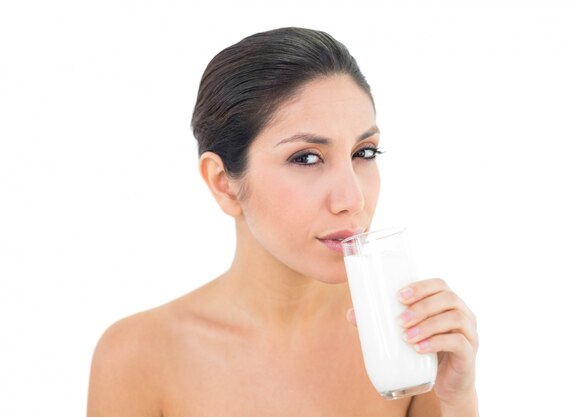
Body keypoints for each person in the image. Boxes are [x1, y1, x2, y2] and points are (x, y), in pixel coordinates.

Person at [87, 27, 479, 417]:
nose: (352, 199)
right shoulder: (137, 357)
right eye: (306, 158)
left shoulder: (406, 340)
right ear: (223, 184)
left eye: (364, 152)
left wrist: (457, 399)